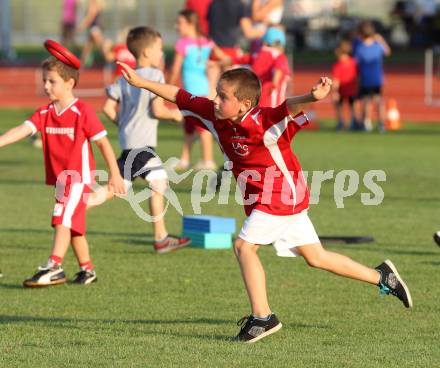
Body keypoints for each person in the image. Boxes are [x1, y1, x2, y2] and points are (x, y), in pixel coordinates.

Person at [117, 62, 413, 343]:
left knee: (244, 247)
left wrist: (312, 96)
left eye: (223, 96)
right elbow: (178, 94)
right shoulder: (213, 114)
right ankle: (383, 277)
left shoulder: (263, 122)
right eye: (217, 93)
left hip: (282, 195)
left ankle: (263, 318)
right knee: (316, 257)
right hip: (267, 199)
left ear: (244, 104)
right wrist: (140, 82)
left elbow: (288, 107)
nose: (216, 100)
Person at [0, 48, 126, 287]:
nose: (46, 86)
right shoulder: (46, 112)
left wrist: (115, 174)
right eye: (44, 81)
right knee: (73, 224)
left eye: (52, 81)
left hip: (78, 178)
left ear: (69, 83)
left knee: (61, 218)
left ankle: (54, 266)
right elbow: (22, 129)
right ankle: (87, 270)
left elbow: (103, 143)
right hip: (60, 180)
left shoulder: (83, 112)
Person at [90, 26, 191, 253]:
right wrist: (176, 114)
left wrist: (124, 125)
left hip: (130, 143)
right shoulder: (155, 76)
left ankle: (77, 207)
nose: (161, 53)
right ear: (146, 52)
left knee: (126, 187)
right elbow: (158, 110)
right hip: (142, 145)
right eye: (158, 49)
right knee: (154, 183)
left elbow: (107, 107)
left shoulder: (125, 77)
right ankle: (161, 238)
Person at [168, 9, 230, 171]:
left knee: (202, 127)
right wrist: (215, 65)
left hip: (194, 90)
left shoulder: (182, 44)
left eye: (180, 23)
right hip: (203, 89)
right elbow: (225, 58)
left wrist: (167, 87)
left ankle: (208, 160)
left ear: (190, 24)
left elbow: (175, 70)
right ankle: (185, 159)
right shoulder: (206, 42)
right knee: (188, 125)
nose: (177, 26)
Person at [354, 20, 391, 132]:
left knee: (366, 101)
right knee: (379, 100)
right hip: (377, 78)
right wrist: (380, 40)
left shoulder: (360, 48)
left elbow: (356, 62)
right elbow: (387, 52)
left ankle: (367, 123)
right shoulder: (377, 46)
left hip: (365, 78)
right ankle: (381, 124)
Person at [251, 27, 290, 108]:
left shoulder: (257, 55)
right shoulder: (279, 56)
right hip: (274, 104)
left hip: (257, 102)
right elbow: (278, 70)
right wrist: (274, 84)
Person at [331, 39, 358, 130]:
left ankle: (341, 122)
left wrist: (334, 92)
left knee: (338, 106)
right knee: (353, 106)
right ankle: (354, 121)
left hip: (342, 91)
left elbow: (336, 81)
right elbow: (358, 76)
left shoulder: (338, 65)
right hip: (353, 90)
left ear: (339, 51)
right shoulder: (353, 62)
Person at [77, 0, 105, 67]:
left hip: (95, 29)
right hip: (93, 28)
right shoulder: (95, 4)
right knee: (87, 48)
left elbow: (90, 17)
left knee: (101, 46)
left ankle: (110, 61)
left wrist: (82, 26)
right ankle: (81, 65)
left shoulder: (93, 5)